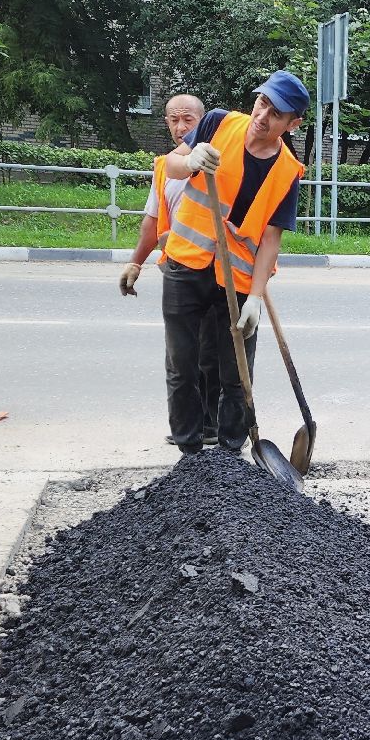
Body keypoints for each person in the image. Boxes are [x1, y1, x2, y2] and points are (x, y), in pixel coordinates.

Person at [155, 71, 308, 455]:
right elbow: (167, 169)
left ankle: (230, 454)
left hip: (236, 280)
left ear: (293, 124)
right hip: (185, 266)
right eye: (262, 103)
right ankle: (189, 453)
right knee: (182, 364)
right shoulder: (218, 122)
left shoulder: (288, 172)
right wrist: (190, 159)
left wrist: (256, 296)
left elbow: (271, 239)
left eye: (276, 114)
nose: (263, 115)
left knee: (237, 374)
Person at [117, 94, 233, 447]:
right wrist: (136, 261)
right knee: (183, 355)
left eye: (188, 120)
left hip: (215, 269)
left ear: (204, 121)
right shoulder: (165, 167)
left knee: (213, 353)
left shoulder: (220, 159)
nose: (180, 127)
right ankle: (190, 429)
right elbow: (152, 222)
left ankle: (214, 425)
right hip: (177, 267)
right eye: (173, 120)